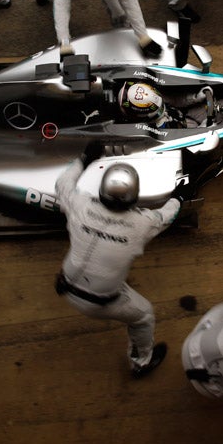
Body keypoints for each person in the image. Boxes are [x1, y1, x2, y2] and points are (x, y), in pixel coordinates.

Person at [54, 142, 182, 377]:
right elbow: (169, 214)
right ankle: (141, 363)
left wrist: (84, 158)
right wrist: (181, 195)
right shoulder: (142, 224)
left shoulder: (79, 205)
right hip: (101, 302)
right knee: (144, 316)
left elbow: (62, 184)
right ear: (134, 196)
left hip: (65, 284)